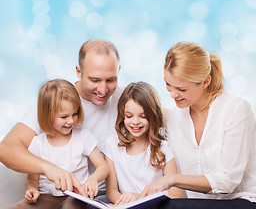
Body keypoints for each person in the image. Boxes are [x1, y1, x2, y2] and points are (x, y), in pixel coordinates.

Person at [140, 41, 256, 209]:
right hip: (198, 204)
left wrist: (172, 179)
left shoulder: (237, 109)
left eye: (181, 89)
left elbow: (227, 181)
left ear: (205, 81)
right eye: (167, 84)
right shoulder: (174, 117)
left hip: (243, 201)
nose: (172, 94)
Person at [0, 39, 122, 198]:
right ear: (79, 72)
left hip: (98, 197)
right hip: (56, 195)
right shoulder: (56, 101)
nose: (103, 89)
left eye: (111, 80)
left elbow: (159, 114)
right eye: (95, 80)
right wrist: (47, 168)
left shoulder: (126, 99)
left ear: (118, 71)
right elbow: (6, 150)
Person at [9, 79, 109, 209]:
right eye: (64, 117)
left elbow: (103, 166)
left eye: (75, 114)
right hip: (46, 197)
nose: (71, 121)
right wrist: (31, 189)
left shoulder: (83, 136)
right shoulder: (38, 143)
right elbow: (32, 179)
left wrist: (93, 178)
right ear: (47, 116)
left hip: (77, 197)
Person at [103, 82, 184, 206]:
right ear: (122, 115)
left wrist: (139, 199)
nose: (135, 122)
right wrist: (124, 204)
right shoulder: (112, 144)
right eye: (129, 116)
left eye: (143, 116)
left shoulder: (164, 149)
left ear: (153, 116)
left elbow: (176, 196)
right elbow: (111, 192)